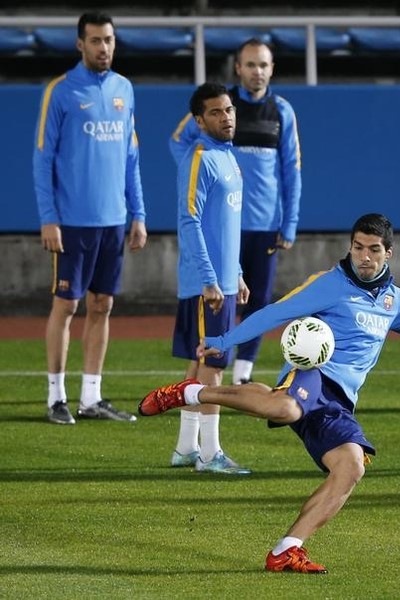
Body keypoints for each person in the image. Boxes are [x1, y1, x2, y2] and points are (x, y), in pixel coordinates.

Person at [139, 213, 400, 574]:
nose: (364, 256)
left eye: (373, 249)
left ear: (388, 253)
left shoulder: (395, 302)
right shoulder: (329, 284)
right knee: (286, 408)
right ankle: (192, 393)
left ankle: (286, 549)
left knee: (351, 466)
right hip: (311, 375)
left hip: (341, 401)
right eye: (358, 247)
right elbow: (276, 312)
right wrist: (224, 340)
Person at [32, 12, 147, 425]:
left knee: (102, 305)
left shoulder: (124, 89)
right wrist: (50, 218)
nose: (104, 48)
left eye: (110, 40)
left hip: (114, 220)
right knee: (67, 305)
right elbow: (42, 160)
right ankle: (56, 398)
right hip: (73, 222)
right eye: (96, 41)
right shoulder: (60, 92)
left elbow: (131, 157)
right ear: (80, 44)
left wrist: (138, 213)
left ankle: (91, 397)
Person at [169, 38, 301, 386]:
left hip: (264, 222)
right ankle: (212, 394)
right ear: (238, 68)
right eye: (251, 65)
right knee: (218, 311)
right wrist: (197, 177)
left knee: (258, 300)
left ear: (272, 69)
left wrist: (290, 222)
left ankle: (243, 372)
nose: (257, 71)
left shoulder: (281, 111)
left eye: (264, 65)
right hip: (221, 222)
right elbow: (178, 141)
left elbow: (293, 169)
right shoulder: (216, 106)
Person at [167, 82, 251, 474]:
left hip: (223, 282)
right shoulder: (200, 155)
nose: (226, 117)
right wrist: (210, 278)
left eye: (229, 110)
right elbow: (191, 219)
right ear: (199, 121)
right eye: (216, 112)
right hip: (208, 287)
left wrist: (236, 273)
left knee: (197, 365)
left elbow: (225, 226)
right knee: (213, 367)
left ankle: (185, 448)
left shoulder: (228, 157)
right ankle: (209, 454)